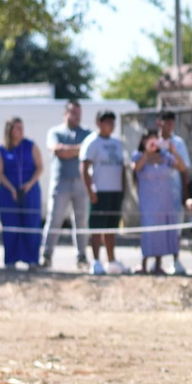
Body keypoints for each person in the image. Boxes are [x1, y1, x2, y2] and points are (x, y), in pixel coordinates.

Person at [41, 100, 91, 270]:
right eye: (73, 113)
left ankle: (82, 256)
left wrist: (67, 150)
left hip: (80, 182)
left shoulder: (87, 133)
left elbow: (86, 151)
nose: (76, 116)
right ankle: (46, 255)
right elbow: (57, 150)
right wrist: (78, 149)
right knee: (54, 219)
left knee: (81, 220)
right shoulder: (55, 132)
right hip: (60, 182)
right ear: (65, 113)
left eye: (79, 113)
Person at [80, 110, 128, 275]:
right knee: (96, 228)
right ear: (99, 123)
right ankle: (95, 261)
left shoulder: (117, 143)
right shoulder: (92, 142)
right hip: (100, 191)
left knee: (111, 228)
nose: (111, 126)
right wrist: (90, 190)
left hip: (115, 191)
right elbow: (84, 168)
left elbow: (122, 167)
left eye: (112, 122)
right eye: (107, 122)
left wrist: (123, 189)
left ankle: (111, 260)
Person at [131, 129, 185, 275]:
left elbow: (182, 167)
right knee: (149, 231)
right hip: (148, 202)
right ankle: (143, 263)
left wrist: (173, 151)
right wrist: (147, 153)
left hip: (165, 201)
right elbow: (136, 168)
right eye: (150, 140)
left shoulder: (166, 157)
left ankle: (158, 264)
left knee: (161, 231)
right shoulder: (138, 156)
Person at [0, 117, 43, 271]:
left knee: (31, 224)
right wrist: (12, 188)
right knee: (10, 226)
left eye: (21, 128)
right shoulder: (1, 149)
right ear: (9, 130)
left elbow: (39, 167)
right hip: (9, 193)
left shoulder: (31, 145)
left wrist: (28, 185)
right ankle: (10, 260)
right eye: (17, 128)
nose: (20, 131)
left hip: (30, 191)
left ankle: (32, 260)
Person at [156, 111, 190, 273]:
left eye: (171, 123)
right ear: (159, 122)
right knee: (157, 228)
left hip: (174, 192)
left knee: (176, 228)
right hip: (156, 193)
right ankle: (157, 262)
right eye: (166, 122)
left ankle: (176, 260)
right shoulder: (153, 142)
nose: (169, 126)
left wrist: (185, 191)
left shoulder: (178, 143)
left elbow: (184, 169)